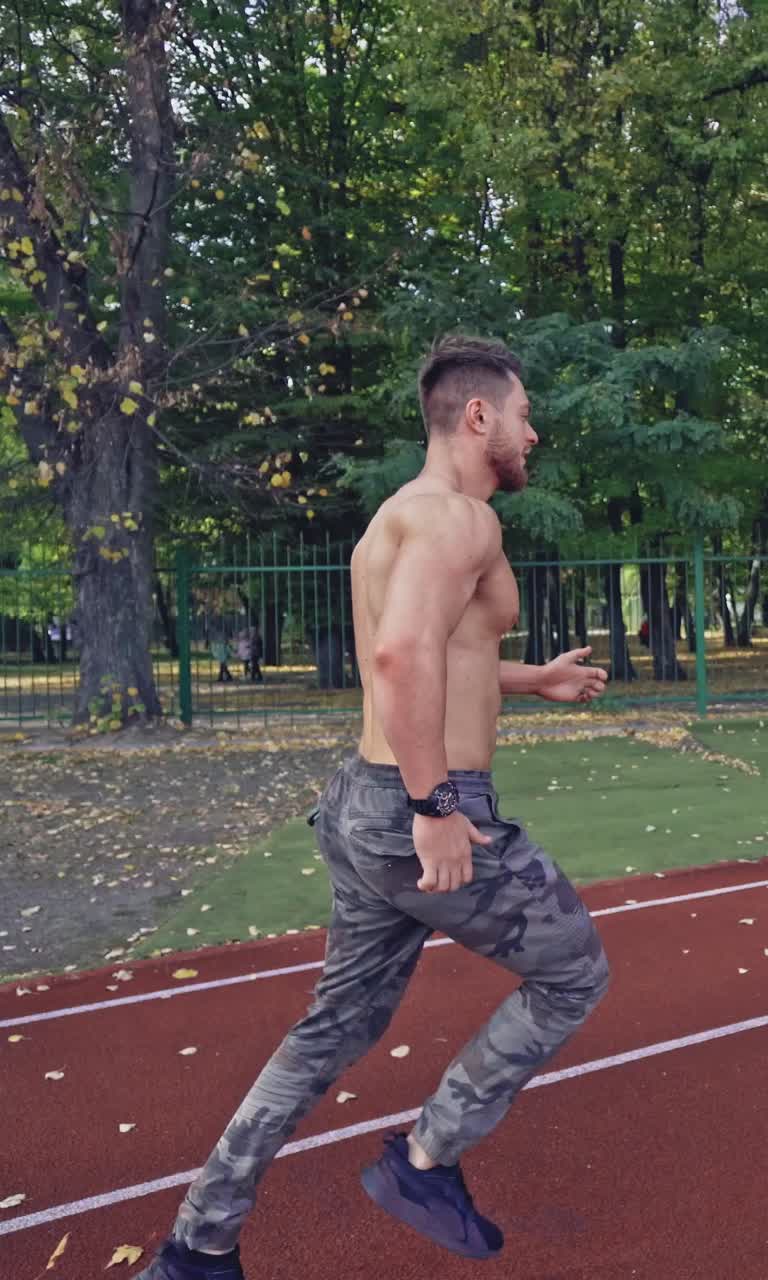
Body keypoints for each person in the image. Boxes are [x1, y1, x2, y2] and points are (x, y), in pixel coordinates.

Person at [136, 336, 612, 1279]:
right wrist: (435, 804)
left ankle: (198, 1244)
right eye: (523, 414)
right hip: (420, 806)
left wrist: (531, 680)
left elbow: (436, 653)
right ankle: (425, 1158)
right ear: (478, 417)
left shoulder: (395, 521)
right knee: (574, 974)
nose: (532, 432)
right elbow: (400, 662)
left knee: (332, 1029)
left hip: (359, 802)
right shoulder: (460, 521)